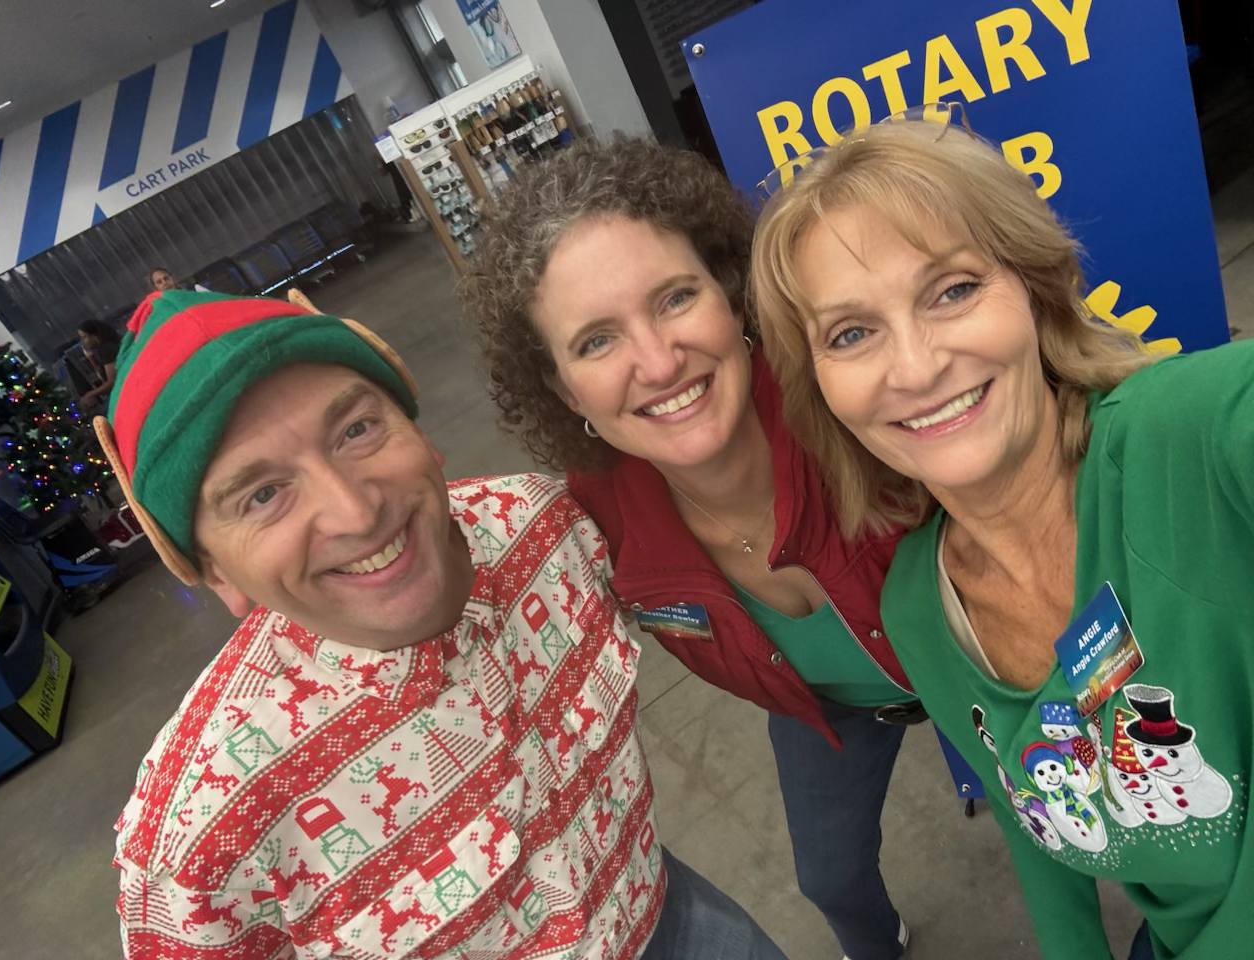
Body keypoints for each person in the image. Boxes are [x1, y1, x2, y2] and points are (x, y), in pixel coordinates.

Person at [102, 288, 786, 960]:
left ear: (419, 434)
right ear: (215, 572)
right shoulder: (198, 836)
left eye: (357, 430)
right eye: (262, 495)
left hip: (678, 920)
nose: (355, 512)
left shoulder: (548, 529)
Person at [751, 106, 1254, 960]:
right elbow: (1031, 816)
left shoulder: (1204, 433)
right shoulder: (918, 607)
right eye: (852, 333)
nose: (916, 367)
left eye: (952, 290)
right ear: (820, 388)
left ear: (1033, 288)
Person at [466, 137, 927, 960]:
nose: (656, 361)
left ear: (732, 293)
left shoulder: (857, 391)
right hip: (828, 708)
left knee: (1063, 824)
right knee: (830, 877)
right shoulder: (590, 523)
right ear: (564, 390)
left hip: (979, 666)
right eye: (596, 341)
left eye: (675, 298)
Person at [76, 318, 120, 410]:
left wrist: (90, 394)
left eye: (84, 337)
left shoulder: (106, 350)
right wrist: (90, 358)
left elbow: (112, 381)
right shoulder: (103, 349)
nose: (83, 342)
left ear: (95, 335)